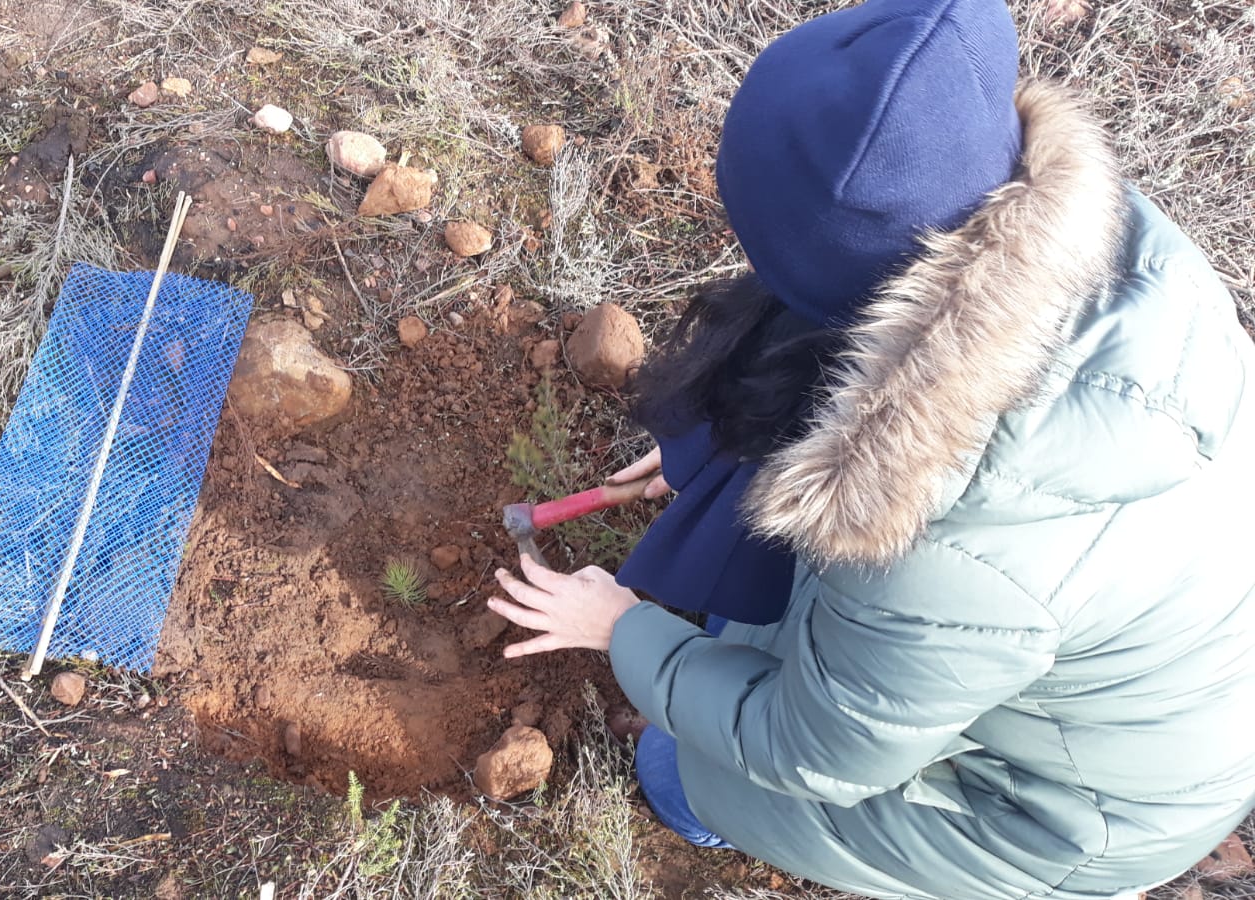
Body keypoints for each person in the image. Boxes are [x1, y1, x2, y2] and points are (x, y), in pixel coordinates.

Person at [484, 0, 1255, 897]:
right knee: (759, 624)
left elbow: (812, 753)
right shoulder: (1099, 238)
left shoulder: (957, 545)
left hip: (1068, 813)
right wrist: (729, 451)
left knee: (681, 763)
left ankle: (707, 814)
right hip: (1135, 657)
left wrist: (618, 630)